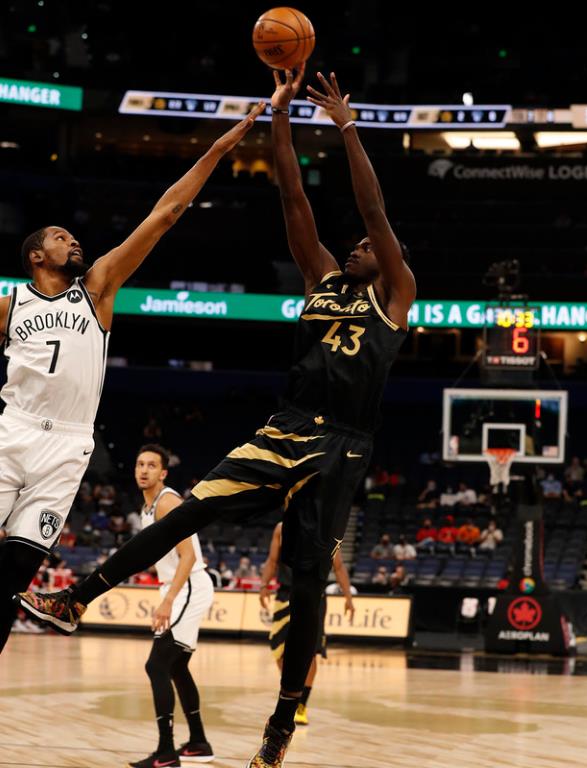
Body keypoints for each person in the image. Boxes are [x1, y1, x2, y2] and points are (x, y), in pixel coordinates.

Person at [17, 67, 416, 768]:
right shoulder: (323, 278)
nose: (356, 245)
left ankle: (282, 722)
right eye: (352, 243)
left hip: (341, 445)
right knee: (186, 512)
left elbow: (376, 213)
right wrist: (282, 116)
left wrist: (347, 128)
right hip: (286, 425)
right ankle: (77, 598)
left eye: (366, 247)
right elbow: (292, 195)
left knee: (305, 583)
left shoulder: (396, 293)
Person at [0, 103, 264, 653]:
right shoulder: (10, 304)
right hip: (13, 430)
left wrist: (221, 146)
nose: (73, 242)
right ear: (35, 255)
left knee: (13, 577)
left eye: (74, 237)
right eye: (61, 237)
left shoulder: (97, 289)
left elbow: (165, 213)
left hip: (68, 446)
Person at [130, 444, 214, 768]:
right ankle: (199, 742)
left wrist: (167, 601)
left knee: (156, 666)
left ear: (163, 473)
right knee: (176, 667)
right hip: (179, 587)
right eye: (140, 464)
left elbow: (188, 556)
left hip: (188, 586)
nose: (144, 470)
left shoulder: (167, 502)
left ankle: (166, 752)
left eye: (151, 465)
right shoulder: (146, 508)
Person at [259, 521, 354, 727]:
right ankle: (291, 694)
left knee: (309, 652)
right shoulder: (281, 528)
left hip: (314, 594)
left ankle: (301, 705)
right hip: (285, 594)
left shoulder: (326, 528)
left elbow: (338, 566)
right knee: (278, 649)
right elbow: (272, 560)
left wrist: (348, 597)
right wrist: (264, 585)